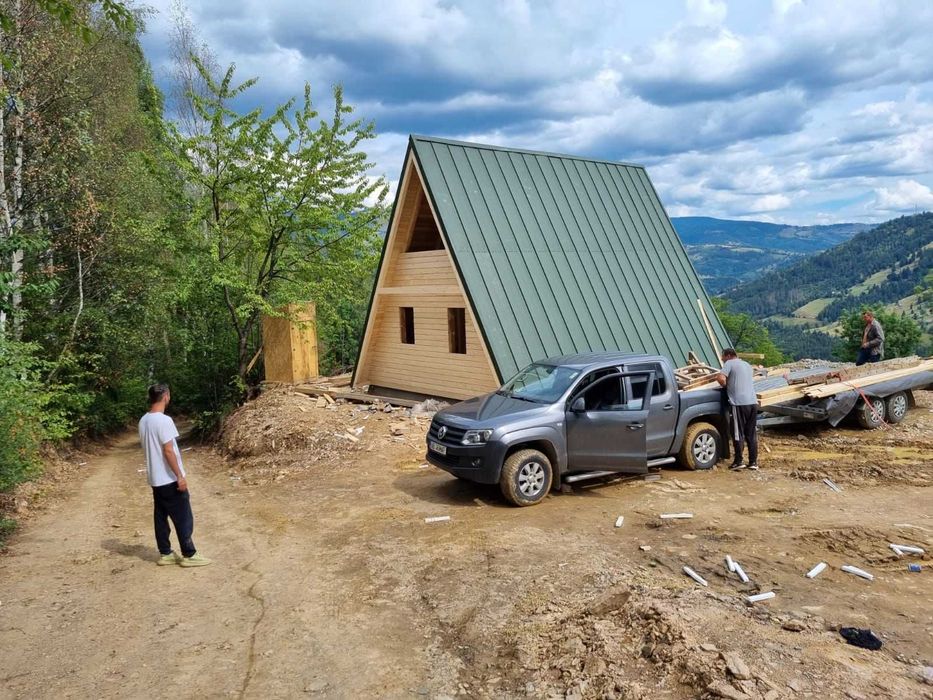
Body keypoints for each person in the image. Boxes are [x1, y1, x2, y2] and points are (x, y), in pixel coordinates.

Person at [139, 383, 211, 567]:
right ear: (166, 397)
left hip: (155, 479)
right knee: (183, 516)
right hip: (169, 478)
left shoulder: (143, 421)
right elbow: (168, 451)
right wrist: (179, 475)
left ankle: (166, 553)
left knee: (161, 516)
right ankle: (189, 554)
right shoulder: (164, 421)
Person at [715, 348, 759, 471]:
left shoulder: (729, 363)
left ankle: (739, 461)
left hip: (738, 403)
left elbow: (720, 378)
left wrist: (726, 387)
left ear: (728, 356)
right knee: (751, 434)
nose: (722, 360)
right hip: (753, 402)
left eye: (723, 357)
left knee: (737, 433)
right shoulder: (747, 365)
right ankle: (753, 462)